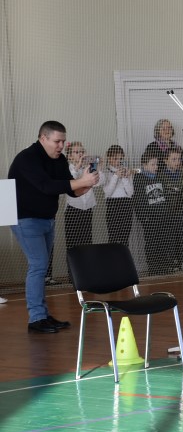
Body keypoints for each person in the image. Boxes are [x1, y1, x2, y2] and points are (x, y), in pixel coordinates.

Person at [8, 121, 99, 333]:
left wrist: (86, 183)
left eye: (63, 141)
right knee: (39, 265)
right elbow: (46, 186)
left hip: (46, 218)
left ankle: (43, 316)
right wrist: (80, 182)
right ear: (43, 138)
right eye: (57, 141)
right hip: (22, 217)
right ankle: (36, 318)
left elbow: (70, 189)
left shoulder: (59, 159)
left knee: (41, 266)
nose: (61, 146)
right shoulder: (27, 158)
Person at [64, 141, 103, 255]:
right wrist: (78, 166)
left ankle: (86, 265)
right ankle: (73, 266)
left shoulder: (88, 168)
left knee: (87, 240)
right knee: (73, 243)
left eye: (82, 151)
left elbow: (98, 183)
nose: (80, 154)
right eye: (77, 152)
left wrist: (98, 167)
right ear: (70, 156)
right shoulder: (68, 169)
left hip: (87, 209)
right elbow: (70, 181)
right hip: (73, 210)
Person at [133, 149, 168, 275]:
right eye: (152, 164)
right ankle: (153, 267)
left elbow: (164, 195)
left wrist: (165, 211)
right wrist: (143, 216)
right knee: (152, 242)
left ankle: (163, 266)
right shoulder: (139, 178)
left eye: (156, 164)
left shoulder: (160, 177)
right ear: (144, 165)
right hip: (149, 217)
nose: (156, 167)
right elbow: (138, 200)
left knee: (162, 241)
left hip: (162, 215)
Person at [160, 148, 183, 271]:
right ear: (166, 160)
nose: (177, 162)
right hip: (169, 211)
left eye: (179, 159)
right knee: (170, 236)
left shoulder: (181, 175)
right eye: (174, 159)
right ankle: (172, 262)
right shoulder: (161, 176)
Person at [103, 145, 134, 245]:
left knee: (125, 239)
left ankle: (124, 255)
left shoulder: (127, 170)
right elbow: (108, 192)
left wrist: (124, 177)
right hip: (112, 205)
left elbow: (130, 193)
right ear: (109, 158)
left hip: (126, 205)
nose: (118, 161)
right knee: (113, 238)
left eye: (120, 159)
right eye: (115, 158)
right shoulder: (105, 172)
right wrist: (116, 176)